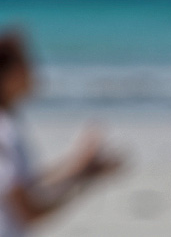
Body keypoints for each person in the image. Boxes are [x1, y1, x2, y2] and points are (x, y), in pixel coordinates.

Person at [0, 30, 122, 236]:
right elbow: (28, 211)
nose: (33, 72)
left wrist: (79, 165)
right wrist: (84, 181)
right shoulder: (5, 132)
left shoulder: (9, 125)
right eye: (25, 66)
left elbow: (24, 183)